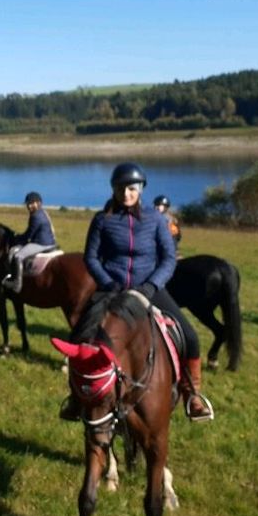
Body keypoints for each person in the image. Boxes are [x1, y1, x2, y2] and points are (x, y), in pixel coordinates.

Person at [63, 162, 213, 422]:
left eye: (131, 188)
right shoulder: (102, 220)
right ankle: (76, 399)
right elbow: (92, 258)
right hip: (112, 290)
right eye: (121, 188)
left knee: (190, 336)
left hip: (149, 288)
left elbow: (168, 258)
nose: (126, 194)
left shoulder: (156, 220)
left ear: (140, 189)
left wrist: (151, 285)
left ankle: (192, 394)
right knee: (79, 338)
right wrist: (108, 283)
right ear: (114, 189)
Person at [1, 191, 57, 294]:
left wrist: (16, 238)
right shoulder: (43, 212)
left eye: (32, 203)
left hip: (41, 243)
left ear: (38, 203)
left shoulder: (35, 216)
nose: (29, 206)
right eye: (28, 203)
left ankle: (17, 284)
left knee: (18, 255)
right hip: (49, 241)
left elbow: (28, 236)